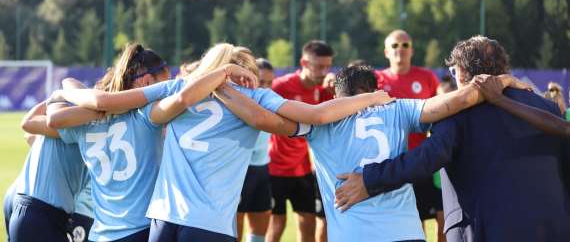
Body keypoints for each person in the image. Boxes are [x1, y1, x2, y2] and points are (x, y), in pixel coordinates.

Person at [58, 43, 390, 242]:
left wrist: (64, 90)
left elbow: (103, 101)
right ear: (245, 72)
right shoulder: (255, 96)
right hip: (209, 224)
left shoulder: (179, 88)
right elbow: (318, 115)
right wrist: (371, 97)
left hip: (163, 220)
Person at [216, 64, 526, 242]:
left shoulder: (321, 120)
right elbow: (454, 102)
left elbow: (262, 119)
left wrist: (222, 86)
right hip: (405, 233)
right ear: (374, 89)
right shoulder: (397, 107)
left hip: (353, 236)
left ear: (337, 95)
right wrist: (501, 81)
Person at [335, 36, 570, 242]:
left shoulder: (456, 112)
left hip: (485, 229)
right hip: (554, 226)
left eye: (454, 72)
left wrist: (369, 180)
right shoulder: (546, 107)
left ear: (463, 73)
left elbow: (425, 159)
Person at [28, 43, 257, 242]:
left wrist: (89, 106)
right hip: (141, 230)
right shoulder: (146, 116)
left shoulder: (82, 123)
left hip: (100, 234)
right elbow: (184, 97)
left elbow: (34, 125)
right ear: (148, 81)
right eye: (163, 83)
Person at [376, 29, 443, 239]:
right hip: (389, 162)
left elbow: (442, 109)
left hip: (421, 160)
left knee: (437, 218)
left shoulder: (426, 77)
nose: (400, 50)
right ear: (386, 51)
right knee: (406, 223)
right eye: (394, 46)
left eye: (405, 45)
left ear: (411, 50)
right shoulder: (376, 79)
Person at [267, 40, 335, 242]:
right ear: (304, 63)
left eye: (328, 66)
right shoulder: (281, 86)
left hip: (303, 167)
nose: (324, 72)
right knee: (276, 224)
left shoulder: (322, 90)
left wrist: (333, 87)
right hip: (275, 167)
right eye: (319, 66)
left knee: (308, 223)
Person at [11, 101, 92, 242]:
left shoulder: (64, 131)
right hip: (41, 213)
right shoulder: (76, 130)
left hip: (26, 206)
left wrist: (52, 98)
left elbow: (28, 127)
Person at [236, 58, 276, 242]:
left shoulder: (271, 101)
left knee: (260, 227)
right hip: (241, 170)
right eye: (262, 82)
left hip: (262, 168)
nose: (266, 87)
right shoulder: (239, 102)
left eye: (270, 82)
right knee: (235, 225)